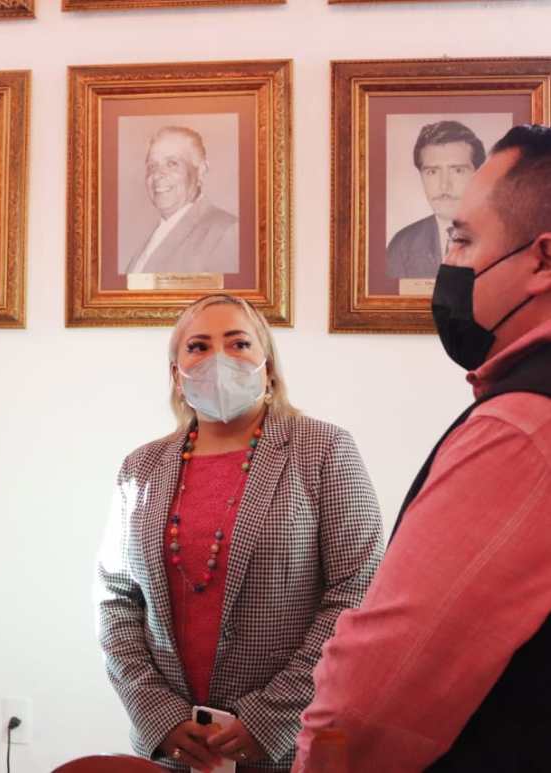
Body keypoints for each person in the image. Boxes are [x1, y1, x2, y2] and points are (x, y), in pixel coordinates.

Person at [293, 125, 551, 772]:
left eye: (463, 240)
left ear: (543, 261)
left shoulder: (521, 430)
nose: (449, 264)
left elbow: (369, 700)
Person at [97, 294, 383, 771]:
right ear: (176, 374)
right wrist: (158, 716)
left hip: (291, 746)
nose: (219, 359)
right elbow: (115, 597)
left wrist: (270, 718)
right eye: (198, 347)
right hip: (175, 750)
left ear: (267, 366)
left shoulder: (324, 449)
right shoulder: (140, 467)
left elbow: (358, 591)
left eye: (238, 343)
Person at [124, 126, 239, 276]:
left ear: (201, 171)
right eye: (152, 166)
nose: (157, 174)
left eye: (172, 163)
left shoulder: (224, 231)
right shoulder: (154, 237)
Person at [386, 120, 486, 280]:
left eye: (457, 170)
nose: (444, 185)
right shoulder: (401, 245)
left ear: (478, 175)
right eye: (432, 172)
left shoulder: (507, 242)